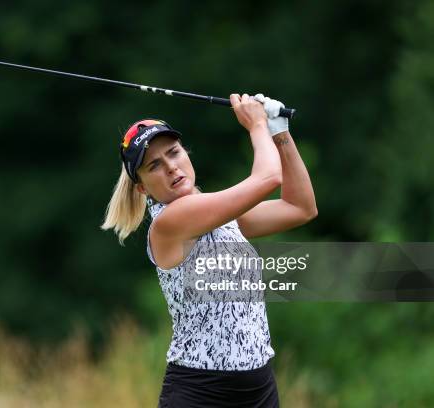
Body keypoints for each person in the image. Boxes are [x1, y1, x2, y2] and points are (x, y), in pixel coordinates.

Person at [101, 93, 317, 407]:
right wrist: (258, 126)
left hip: (259, 389)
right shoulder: (170, 222)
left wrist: (280, 132)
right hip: (201, 394)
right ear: (142, 188)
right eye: (155, 166)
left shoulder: (220, 217)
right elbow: (269, 178)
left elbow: (300, 207)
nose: (171, 167)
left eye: (174, 153)